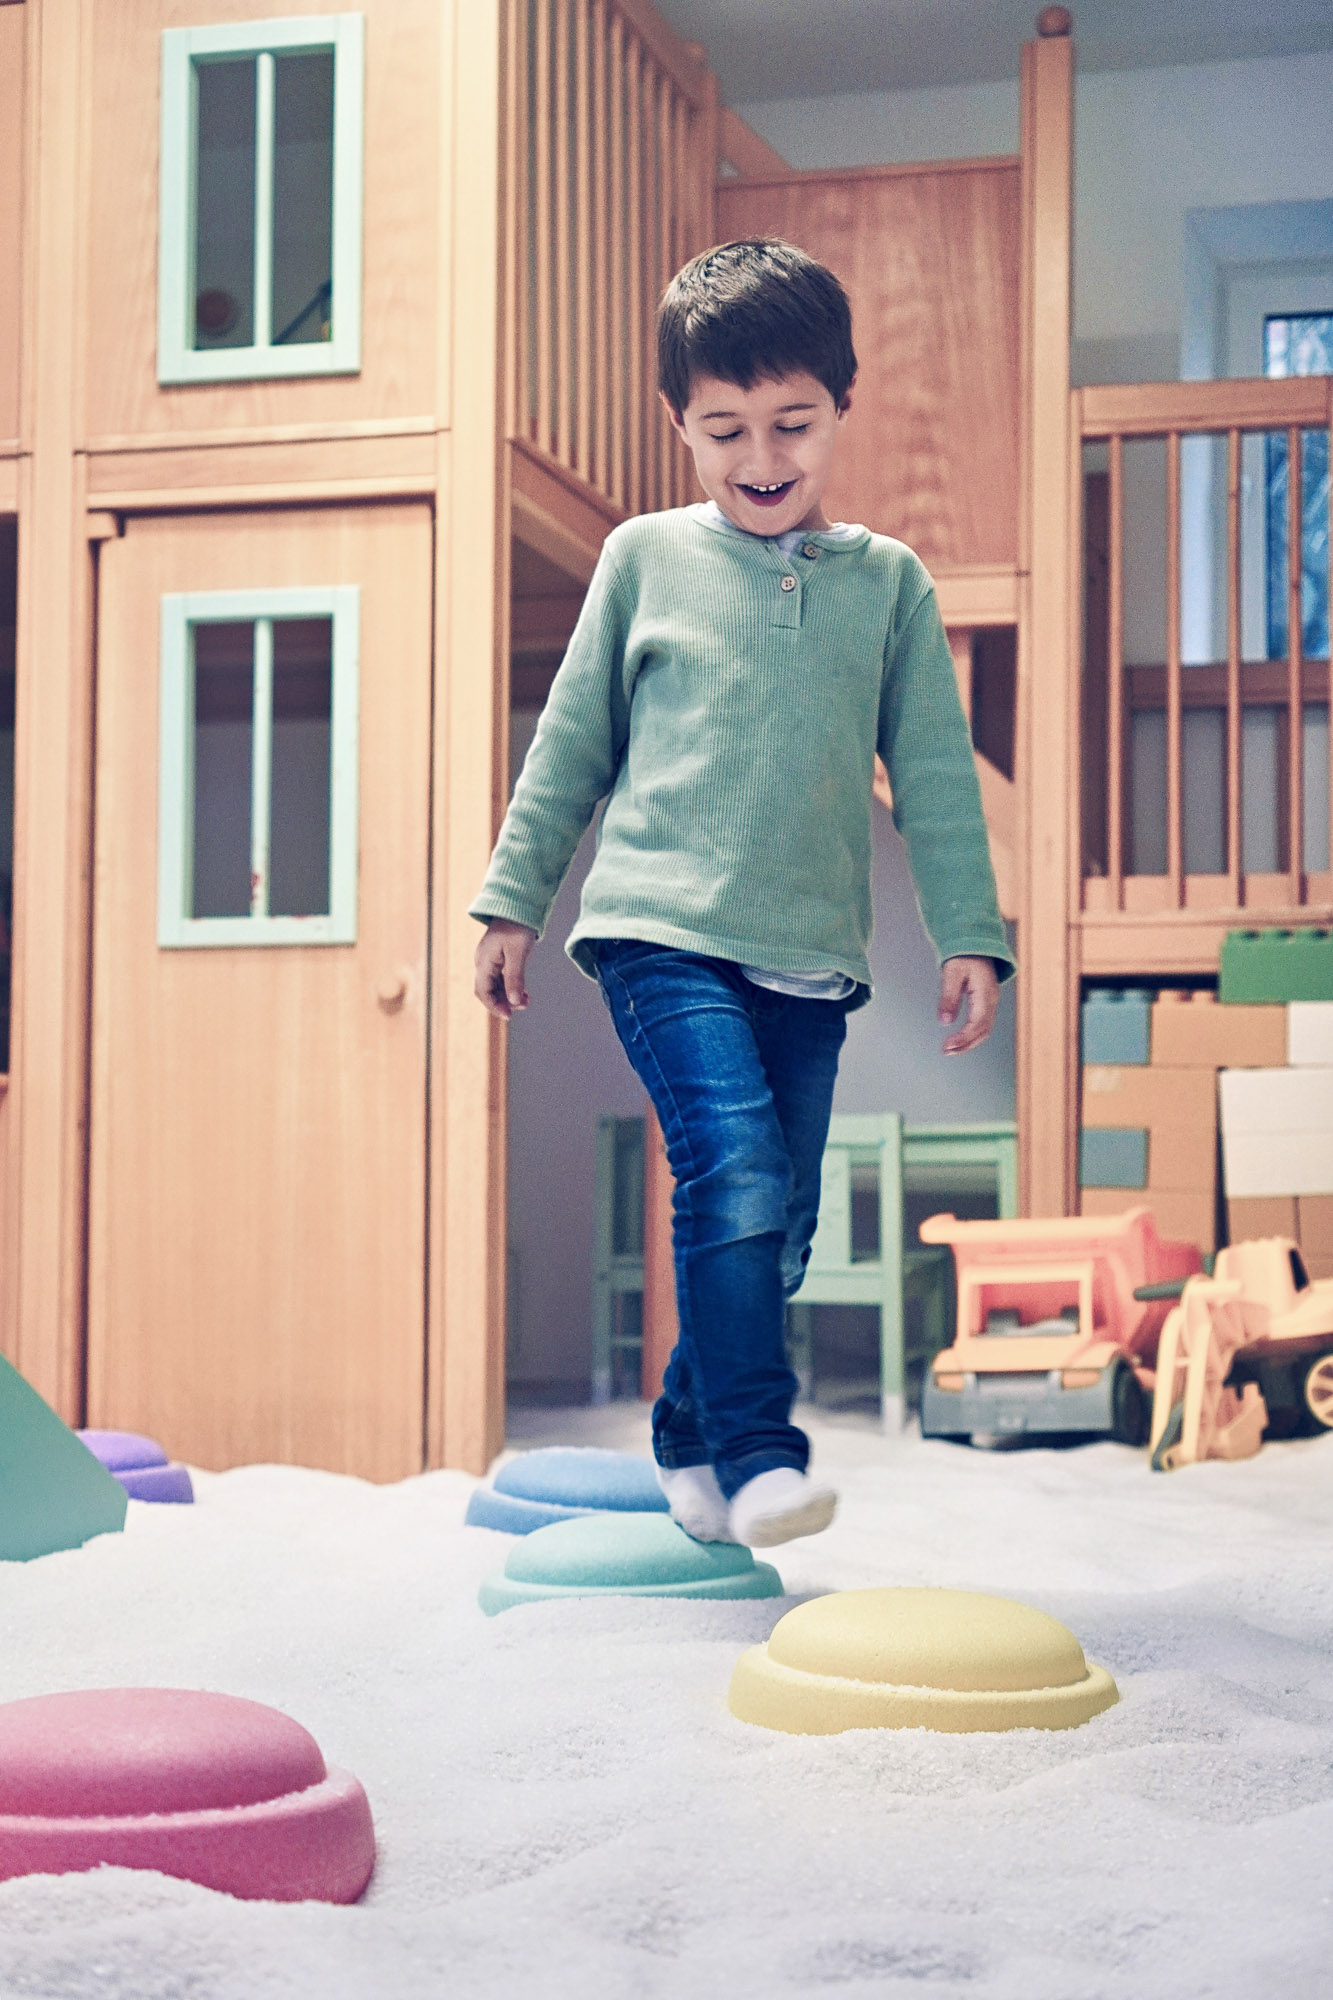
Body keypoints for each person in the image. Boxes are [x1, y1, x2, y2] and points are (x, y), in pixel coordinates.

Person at [471, 239, 1014, 1548]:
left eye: (792, 424)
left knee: (783, 1222)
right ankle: (763, 1450)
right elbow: (570, 745)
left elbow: (935, 775)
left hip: (808, 955)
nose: (761, 457)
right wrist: (512, 898)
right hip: (658, 932)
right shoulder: (642, 559)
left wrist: (970, 935)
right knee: (732, 1164)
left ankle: (684, 1436)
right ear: (681, 422)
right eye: (725, 431)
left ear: (840, 406)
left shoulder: (887, 585)